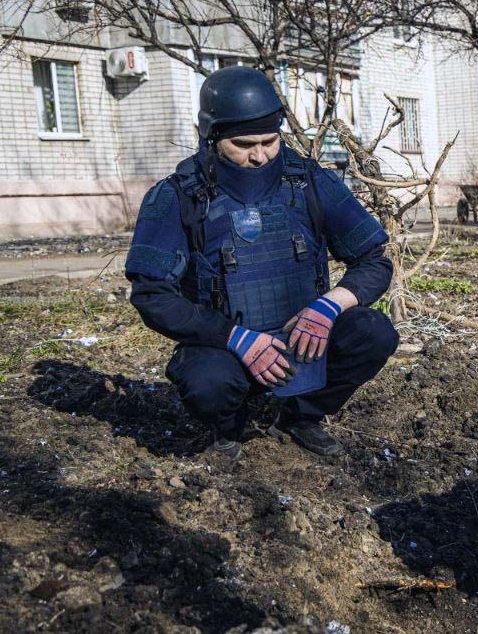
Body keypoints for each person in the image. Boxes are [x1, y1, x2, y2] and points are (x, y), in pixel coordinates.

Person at [124, 66, 399, 460]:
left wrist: (328, 307)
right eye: (242, 144)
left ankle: (301, 416)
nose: (259, 155)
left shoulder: (311, 182)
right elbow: (152, 295)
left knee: (374, 332)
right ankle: (229, 428)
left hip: (304, 338)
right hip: (226, 347)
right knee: (206, 383)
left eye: (269, 141)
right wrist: (235, 337)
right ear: (211, 136)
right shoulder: (178, 196)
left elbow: (374, 261)